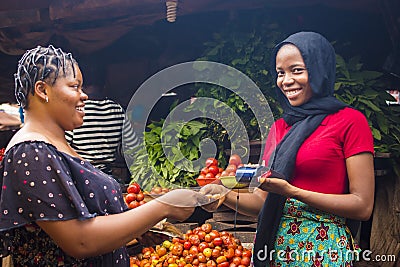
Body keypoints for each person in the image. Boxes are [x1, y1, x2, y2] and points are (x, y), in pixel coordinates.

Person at [0, 45, 209, 266]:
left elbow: (86, 218)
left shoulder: (55, 145)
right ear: (43, 90)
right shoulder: (32, 152)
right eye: (75, 86)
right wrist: (163, 206)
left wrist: (133, 229)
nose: (84, 95)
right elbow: (80, 242)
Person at [200, 31, 375, 266]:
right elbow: (262, 201)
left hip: (323, 252)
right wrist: (223, 194)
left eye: (297, 70)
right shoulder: (280, 128)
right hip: (277, 250)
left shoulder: (349, 121)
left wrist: (292, 192)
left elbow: (362, 206)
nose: (286, 80)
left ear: (319, 69)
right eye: (280, 73)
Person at [65, 83, 139, 181]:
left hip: (81, 177)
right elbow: (133, 148)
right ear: (104, 87)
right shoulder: (116, 109)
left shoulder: (77, 111)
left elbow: (63, 149)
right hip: (108, 178)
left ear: (83, 87)